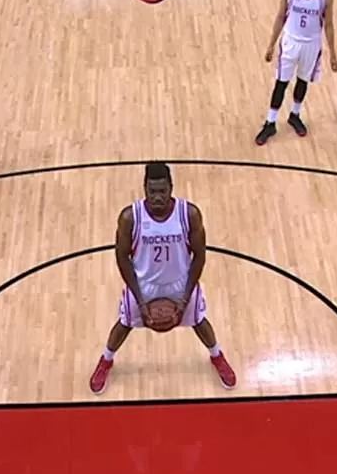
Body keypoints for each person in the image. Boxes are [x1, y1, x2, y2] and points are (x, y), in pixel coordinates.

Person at [89, 162, 237, 394]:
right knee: (124, 323)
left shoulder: (189, 214)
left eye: (162, 191)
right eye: (152, 191)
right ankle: (106, 360)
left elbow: (199, 256)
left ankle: (217, 356)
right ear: (144, 189)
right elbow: (122, 258)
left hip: (181, 282)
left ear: (171, 188)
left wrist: (185, 299)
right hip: (143, 284)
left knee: (199, 320)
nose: (157, 196)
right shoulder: (130, 217)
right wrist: (140, 300)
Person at [255, 0, 337, 146]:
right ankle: (270, 122)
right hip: (290, 42)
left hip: (311, 45)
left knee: (303, 81)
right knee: (281, 83)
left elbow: (329, 25)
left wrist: (333, 53)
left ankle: (295, 114)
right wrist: (271, 45)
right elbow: (280, 17)